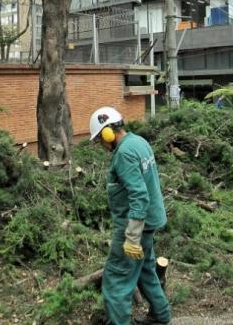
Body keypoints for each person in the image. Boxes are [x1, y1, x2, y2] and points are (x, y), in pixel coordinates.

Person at [89, 107, 171, 325]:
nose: (101, 145)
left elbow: (139, 195)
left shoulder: (124, 153)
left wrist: (132, 237)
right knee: (145, 271)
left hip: (134, 227)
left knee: (116, 280)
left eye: (99, 139)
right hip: (149, 223)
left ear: (108, 133)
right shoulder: (139, 142)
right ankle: (161, 316)